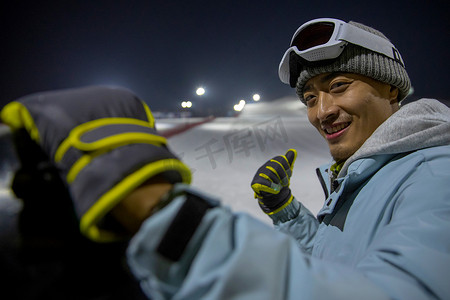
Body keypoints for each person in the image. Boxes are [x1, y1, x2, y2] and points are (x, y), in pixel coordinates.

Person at [1, 18, 449, 300]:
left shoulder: (437, 174)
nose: (322, 111)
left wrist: (154, 208)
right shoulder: (376, 171)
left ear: (392, 88)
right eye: (309, 97)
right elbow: (341, 263)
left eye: (339, 86)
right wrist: (287, 212)